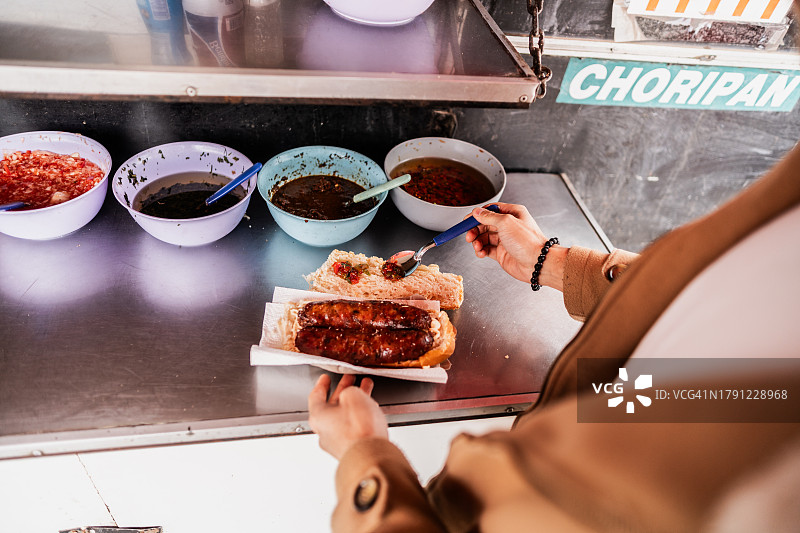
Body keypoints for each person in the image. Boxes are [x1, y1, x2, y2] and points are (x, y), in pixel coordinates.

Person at [307, 53, 800, 533]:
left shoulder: (762, 465)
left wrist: (365, 455)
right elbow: (691, 328)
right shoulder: (786, 196)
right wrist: (552, 261)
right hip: (630, 395)